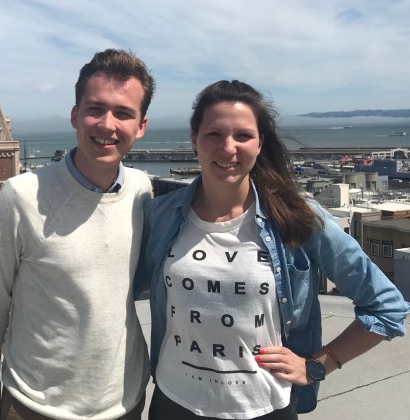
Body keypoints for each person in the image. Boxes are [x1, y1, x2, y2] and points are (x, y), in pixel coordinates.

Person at [137, 80, 410, 420]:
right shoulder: (160, 214)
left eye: (242, 135)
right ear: (194, 140)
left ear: (260, 143)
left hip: (264, 408)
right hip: (174, 402)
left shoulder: (299, 218)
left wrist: (318, 365)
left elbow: (386, 306)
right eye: (214, 134)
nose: (228, 148)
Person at [0, 49, 157, 420]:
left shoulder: (141, 189)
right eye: (95, 109)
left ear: (141, 126)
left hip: (126, 401)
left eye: (123, 113)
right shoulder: (20, 195)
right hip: (34, 405)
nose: (107, 124)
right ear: (75, 115)